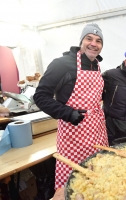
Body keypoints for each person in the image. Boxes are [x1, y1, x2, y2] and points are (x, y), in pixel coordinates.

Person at [33, 23, 108, 189]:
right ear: (81, 41)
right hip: (74, 133)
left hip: (97, 131)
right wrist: (67, 113)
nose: (93, 44)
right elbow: (40, 96)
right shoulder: (62, 64)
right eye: (89, 38)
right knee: (73, 180)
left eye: (98, 41)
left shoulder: (96, 64)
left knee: (97, 177)